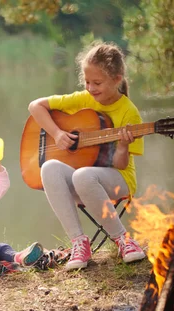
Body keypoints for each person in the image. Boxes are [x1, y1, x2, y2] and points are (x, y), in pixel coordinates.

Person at [27, 41, 146, 271]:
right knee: (49, 168)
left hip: (119, 181)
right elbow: (35, 106)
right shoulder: (84, 99)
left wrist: (122, 146)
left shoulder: (129, 112)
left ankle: (123, 240)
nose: (90, 88)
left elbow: (121, 164)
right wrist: (58, 133)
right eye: (87, 81)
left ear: (117, 79)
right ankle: (79, 243)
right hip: (85, 180)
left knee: (83, 176)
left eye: (97, 83)